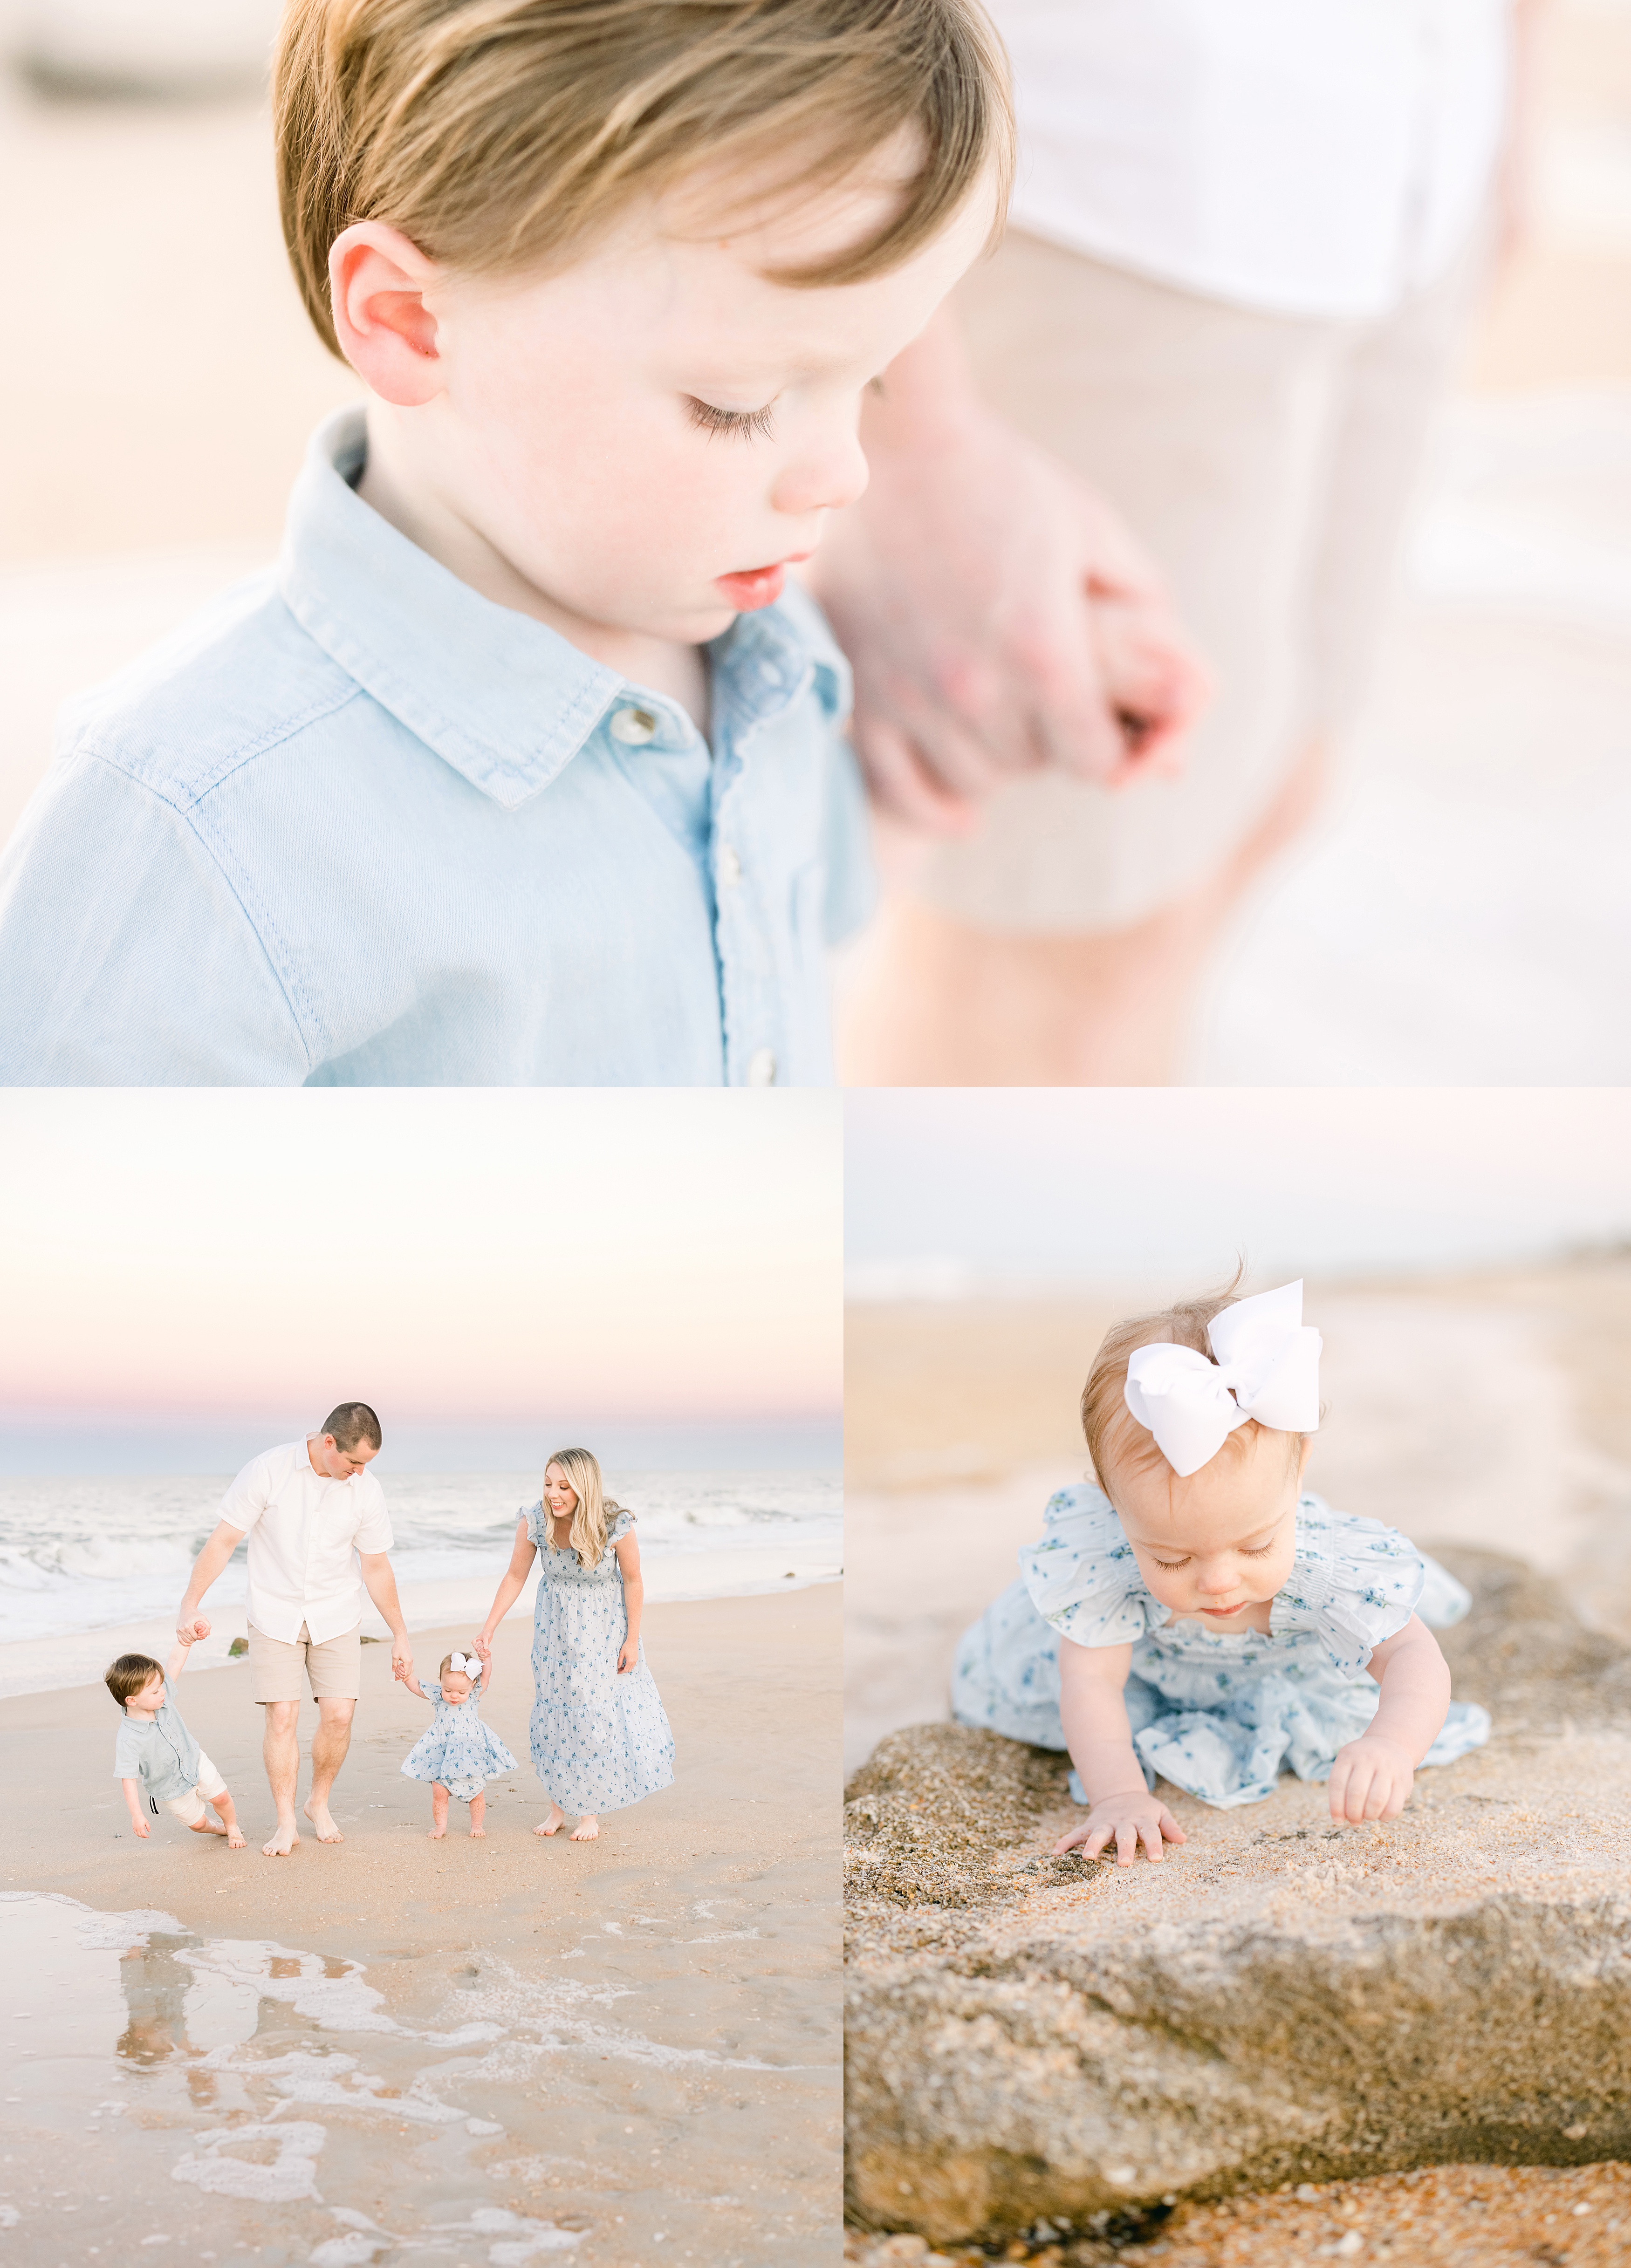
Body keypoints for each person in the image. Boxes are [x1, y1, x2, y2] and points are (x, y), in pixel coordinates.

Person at [0, 0, 1013, 1087]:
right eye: (739, 402)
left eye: (873, 380)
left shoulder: (763, 647)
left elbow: (772, 947)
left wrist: (916, 793)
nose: (843, 472)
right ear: (408, 321)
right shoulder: (200, 825)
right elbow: (82, 1232)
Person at [822, 0, 1538, 1084]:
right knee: (1060, 938)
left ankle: (1082, 1235)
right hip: (1101, 167)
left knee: (1264, 801)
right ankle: (981, 1246)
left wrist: (1515, 71)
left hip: (1413, 134)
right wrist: (902, 419)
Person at [952, 1280, 1490, 1859]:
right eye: (1171, 1557)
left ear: (1299, 1469)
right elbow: (1090, 1681)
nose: (1217, 1581)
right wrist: (1119, 1794)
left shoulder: (1323, 1569)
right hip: (1151, 1678)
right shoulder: (1106, 1563)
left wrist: (1390, 1743)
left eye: (1255, 1544)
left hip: (1287, 1673)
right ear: (1112, 1502)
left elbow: (1412, 1656)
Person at [176, 1403, 411, 1857]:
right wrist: (190, 1604)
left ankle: (317, 1802)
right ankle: (286, 1821)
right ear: (328, 1443)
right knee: (282, 1716)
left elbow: (377, 1566)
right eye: (354, 1461)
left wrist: (399, 1633)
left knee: (339, 1714)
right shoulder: (268, 1470)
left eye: (367, 1464)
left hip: (337, 1612)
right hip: (273, 1611)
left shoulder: (366, 1489)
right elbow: (224, 1540)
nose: (360, 1472)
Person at [477, 1449, 675, 1844]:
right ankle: (558, 1808)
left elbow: (634, 1581)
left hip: (603, 1631)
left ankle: (589, 1812)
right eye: (549, 1484)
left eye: (564, 1487)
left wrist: (632, 1640)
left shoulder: (615, 1524)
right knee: (556, 1717)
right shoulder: (535, 1521)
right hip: (555, 1632)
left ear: (585, 1488)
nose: (554, 1494)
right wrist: (489, 1629)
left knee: (592, 1718)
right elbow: (516, 1576)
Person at [107, 1639, 246, 1849]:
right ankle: (219, 1828)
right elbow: (128, 1779)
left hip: (194, 1761)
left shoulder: (162, 1698)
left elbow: (175, 1661)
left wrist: (186, 1640)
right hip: (169, 1785)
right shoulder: (128, 1739)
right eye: (155, 1691)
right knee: (198, 1825)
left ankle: (232, 1827)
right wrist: (137, 1815)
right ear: (132, 1701)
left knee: (221, 1798)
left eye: (161, 1686)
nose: (163, 1692)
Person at [396, 1645, 518, 1839]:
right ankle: (440, 1826)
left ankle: (477, 1825)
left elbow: (486, 1676)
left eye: (461, 1692)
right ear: (441, 1683)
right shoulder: (438, 1696)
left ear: (472, 1686)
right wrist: (406, 1675)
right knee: (439, 1791)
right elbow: (417, 1686)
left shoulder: (474, 1696)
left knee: (477, 1793)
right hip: (442, 1755)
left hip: (470, 1755)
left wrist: (485, 1657)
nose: (454, 1696)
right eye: (448, 1690)